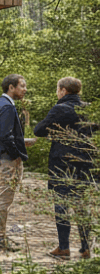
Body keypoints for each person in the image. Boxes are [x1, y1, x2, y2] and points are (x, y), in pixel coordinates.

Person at [34, 76, 94, 260]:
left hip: (62, 164)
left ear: (63, 91)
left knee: (62, 204)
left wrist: (55, 131)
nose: (57, 93)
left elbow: (39, 130)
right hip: (85, 163)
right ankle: (86, 248)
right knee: (82, 205)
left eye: (57, 89)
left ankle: (64, 247)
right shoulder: (88, 109)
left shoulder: (60, 108)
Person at [0, 74, 36, 251]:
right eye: (22, 86)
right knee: (4, 199)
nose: (25, 89)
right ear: (11, 87)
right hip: (7, 159)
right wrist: (17, 155)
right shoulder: (7, 106)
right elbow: (6, 136)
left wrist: (23, 141)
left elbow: (1, 134)